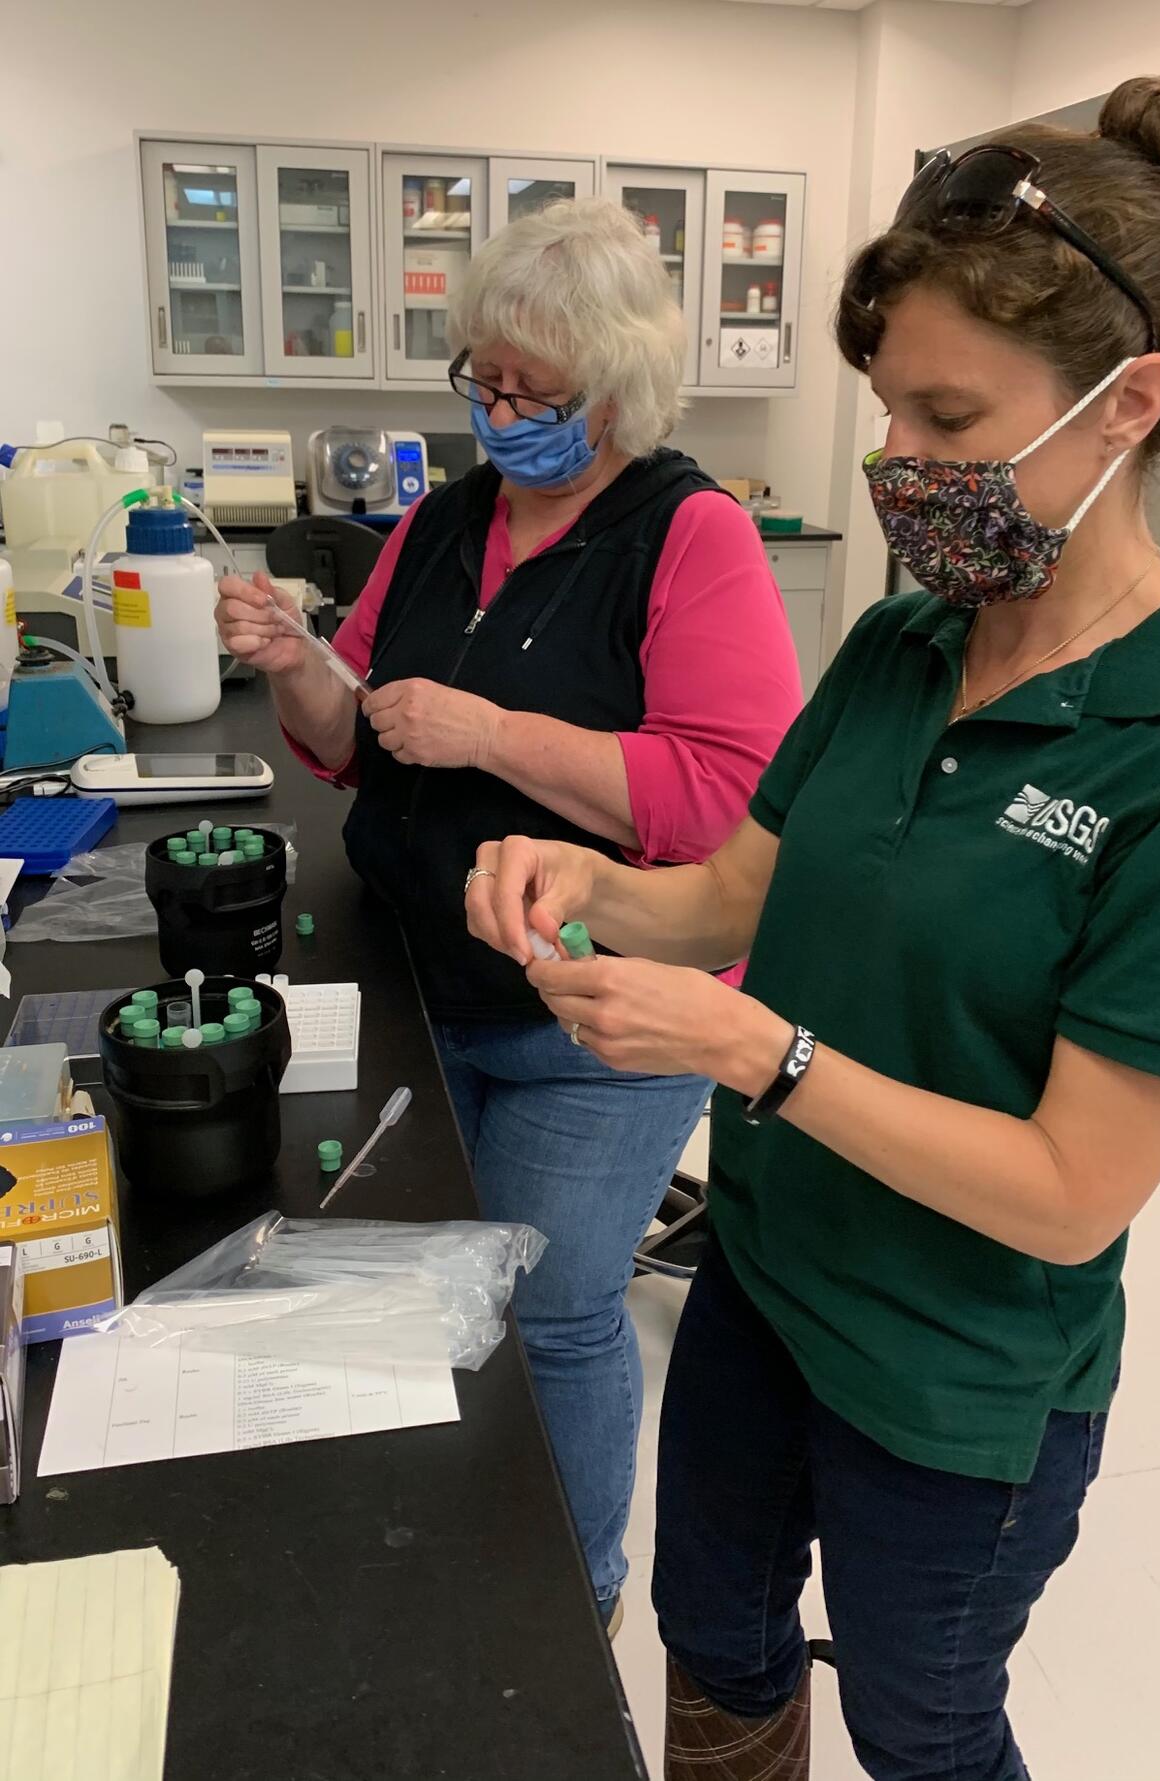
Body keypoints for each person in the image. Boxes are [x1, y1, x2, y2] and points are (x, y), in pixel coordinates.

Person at [463, 78, 1160, 1779]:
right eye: (888, 417)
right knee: (713, 1640)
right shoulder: (907, 642)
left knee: (924, 1720)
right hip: (767, 1289)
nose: (900, 470)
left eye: (948, 418)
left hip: (957, 1382)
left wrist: (754, 1049)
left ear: (1130, 403)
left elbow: (1075, 1197)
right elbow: (730, 895)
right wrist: (578, 878)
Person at [215, 197, 803, 1631]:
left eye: (538, 392)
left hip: (596, 1015)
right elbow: (349, 736)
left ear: (619, 390)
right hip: (421, 973)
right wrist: (297, 662)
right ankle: (449, 1559)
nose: (504, 411)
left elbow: (727, 802)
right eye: (486, 379)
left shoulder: (692, 535)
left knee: (552, 1305)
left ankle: (577, 1603)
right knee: (427, 1280)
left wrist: (492, 732)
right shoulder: (440, 518)